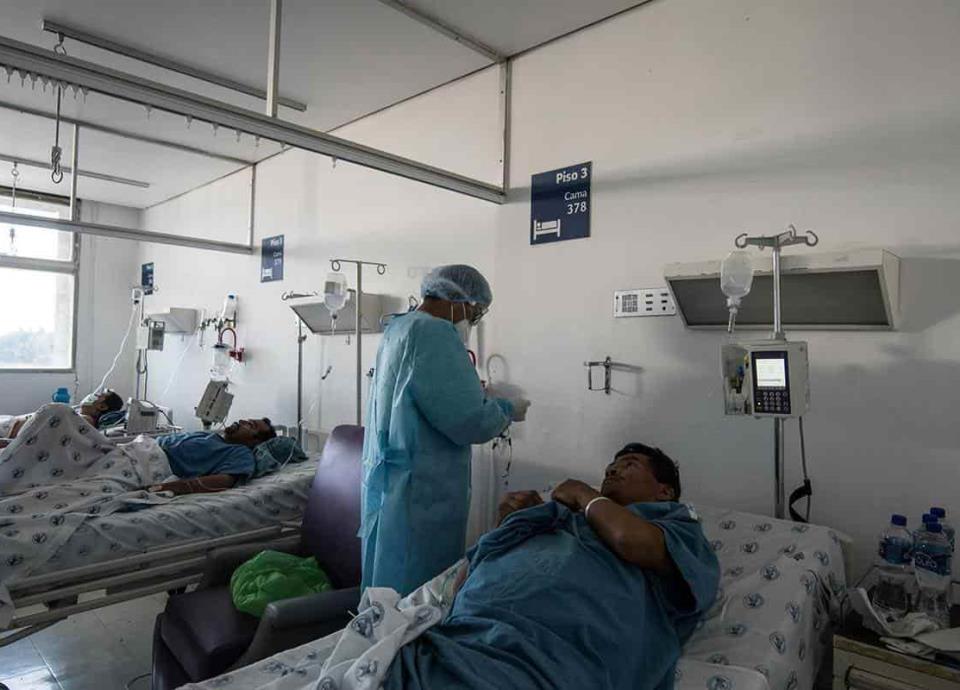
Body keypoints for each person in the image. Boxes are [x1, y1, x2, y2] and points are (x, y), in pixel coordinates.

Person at [380, 443, 719, 690]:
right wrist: (510, 520)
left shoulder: (678, 528)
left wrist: (584, 494)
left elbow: (630, 540)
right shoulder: (561, 517)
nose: (612, 471)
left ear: (664, 491)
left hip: (549, 652)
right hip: (464, 637)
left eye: (629, 465)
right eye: (610, 467)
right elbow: (472, 572)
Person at [362, 264, 531, 596]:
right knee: (419, 594)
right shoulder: (435, 334)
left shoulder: (399, 327)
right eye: (475, 311)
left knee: (385, 579)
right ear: (461, 301)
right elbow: (469, 421)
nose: (472, 319)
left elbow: (420, 395)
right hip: (422, 490)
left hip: (391, 479)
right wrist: (507, 410)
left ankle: (375, 627)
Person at [149, 418, 278, 495]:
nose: (241, 421)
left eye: (250, 425)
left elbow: (225, 480)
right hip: (145, 446)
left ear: (255, 441)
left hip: (152, 464)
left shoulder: (240, 452)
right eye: (247, 420)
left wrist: (166, 487)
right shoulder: (210, 436)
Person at [0, 390, 124, 448]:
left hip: (7, 432)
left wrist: (9, 442)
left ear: (102, 406)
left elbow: (46, 435)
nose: (92, 395)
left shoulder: (86, 420)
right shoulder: (77, 412)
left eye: (98, 395)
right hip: (8, 423)